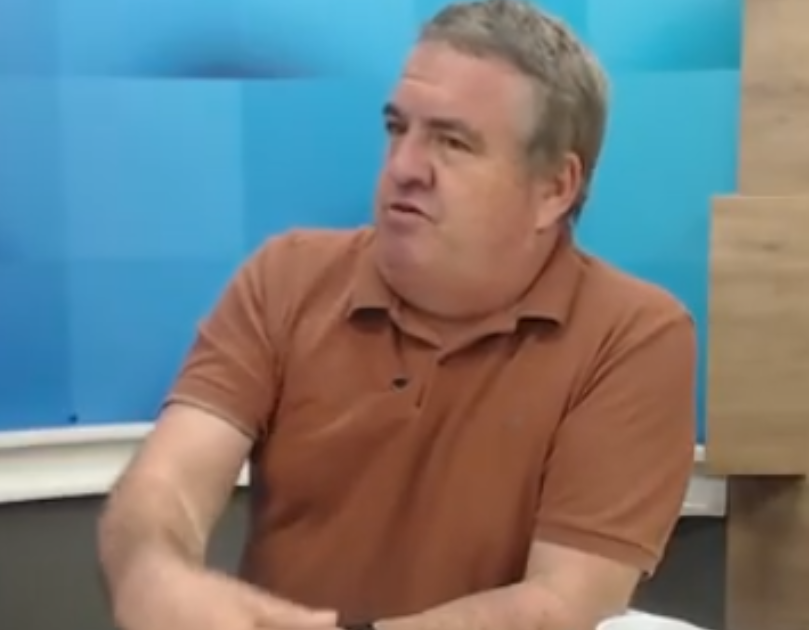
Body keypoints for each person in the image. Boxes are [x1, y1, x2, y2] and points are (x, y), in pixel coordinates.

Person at [97, 1, 697, 629]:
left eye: (453, 142)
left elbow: (561, 605)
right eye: (396, 129)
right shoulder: (287, 277)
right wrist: (152, 573)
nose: (404, 167)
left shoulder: (634, 337)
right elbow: (169, 482)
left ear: (554, 188)